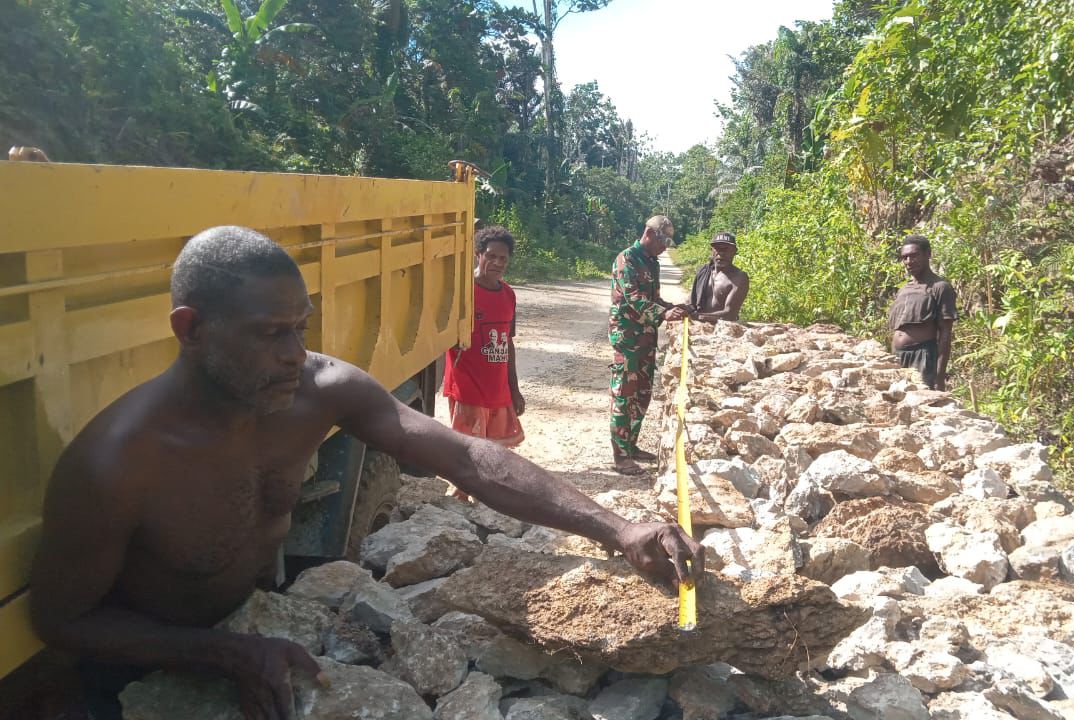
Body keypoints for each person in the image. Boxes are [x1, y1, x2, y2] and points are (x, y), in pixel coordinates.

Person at [28, 226, 703, 720]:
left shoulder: (317, 391)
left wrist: (618, 528)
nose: (296, 354)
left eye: (301, 328)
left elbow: (466, 456)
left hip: (260, 636)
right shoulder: (119, 462)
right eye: (270, 333)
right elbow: (62, 621)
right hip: (140, 682)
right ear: (191, 329)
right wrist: (220, 655)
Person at [442, 226, 524, 500]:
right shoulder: (463, 293)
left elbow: (508, 343)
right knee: (467, 448)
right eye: (491, 256)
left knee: (494, 450)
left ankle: (486, 495)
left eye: (503, 258)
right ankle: (460, 496)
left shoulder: (508, 294)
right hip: (467, 386)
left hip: (497, 389)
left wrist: (514, 389)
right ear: (478, 254)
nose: (497, 263)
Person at [609, 215, 686, 475]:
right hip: (628, 338)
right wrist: (664, 313)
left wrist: (673, 308)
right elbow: (633, 298)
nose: (665, 247)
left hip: (646, 337)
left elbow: (653, 298)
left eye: (668, 242)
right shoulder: (627, 259)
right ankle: (620, 456)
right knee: (624, 394)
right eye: (663, 241)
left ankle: (631, 446)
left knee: (642, 393)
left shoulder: (651, 262)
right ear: (649, 233)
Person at [888, 236, 957, 391]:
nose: (909, 261)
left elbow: (945, 333)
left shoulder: (940, 287)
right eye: (905, 257)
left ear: (928, 254)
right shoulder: (903, 289)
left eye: (914, 255)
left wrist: (939, 378)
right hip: (898, 356)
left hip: (922, 357)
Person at [687, 232, 750, 322]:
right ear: (712, 250)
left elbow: (730, 314)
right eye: (717, 248)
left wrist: (698, 316)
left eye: (726, 249)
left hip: (723, 327)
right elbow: (691, 303)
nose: (721, 253)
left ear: (734, 252)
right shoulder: (703, 271)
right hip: (698, 324)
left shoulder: (739, 278)